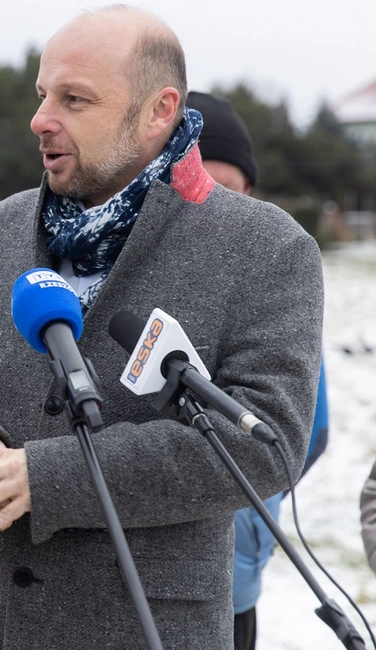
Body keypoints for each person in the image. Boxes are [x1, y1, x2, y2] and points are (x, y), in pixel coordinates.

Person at [0, 6, 323, 649]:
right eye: (42, 95)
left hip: (144, 625)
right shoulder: (0, 228)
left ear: (158, 110)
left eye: (74, 98)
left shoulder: (266, 247)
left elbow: (266, 444)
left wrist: (45, 478)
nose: (40, 119)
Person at [186, 90, 330, 650]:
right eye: (201, 185)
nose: (215, 206)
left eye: (231, 190)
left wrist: (253, 515)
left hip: (235, 587)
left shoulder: (273, 287)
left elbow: (306, 432)